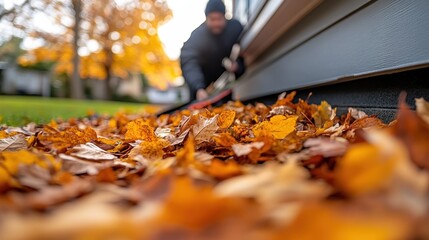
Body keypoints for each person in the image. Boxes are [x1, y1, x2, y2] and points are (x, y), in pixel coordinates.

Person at [180, 0, 245, 101]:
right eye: (212, 19)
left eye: (219, 19)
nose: (216, 23)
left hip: (224, 88)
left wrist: (238, 66)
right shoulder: (197, 36)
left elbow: (243, 54)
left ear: (225, 16)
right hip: (202, 87)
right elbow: (189, 62)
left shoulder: (235, 29)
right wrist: (198, 87)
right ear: (206, 18)